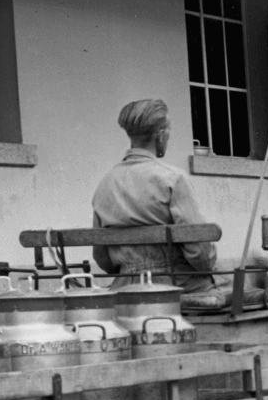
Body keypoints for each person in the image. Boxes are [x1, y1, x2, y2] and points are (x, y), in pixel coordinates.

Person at [90, 99, 217, 289]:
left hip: (124, 286)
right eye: (169, 130)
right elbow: (199, 252)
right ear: (160, 135)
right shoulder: (173, 179)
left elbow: (102, 257)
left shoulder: (105, 183)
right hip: (176, 285)